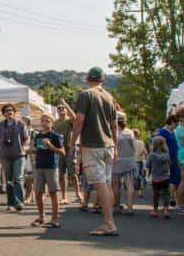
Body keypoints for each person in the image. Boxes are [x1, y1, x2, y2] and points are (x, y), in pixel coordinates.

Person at [69, 67, 119, 236]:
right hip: (109, 145)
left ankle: (109, 223)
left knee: (100, 184)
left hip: (93, 145)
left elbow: (79, 121)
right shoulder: (109, 97)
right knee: (106, 183)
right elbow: (114, 126)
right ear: (102, 80)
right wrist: (116, 146)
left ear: (88, 78)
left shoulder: (86, 94)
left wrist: (72, 144)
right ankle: (109, 220)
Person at [31, 112, 63, 227]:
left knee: (53, 192)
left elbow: (62, 152)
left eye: (47, 121)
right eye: (43, 120)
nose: (44, 123)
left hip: (51, 167)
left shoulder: (55, 136)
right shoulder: (38, 136)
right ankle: (41, 216)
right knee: (38, 192)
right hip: (39, 166)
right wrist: (30, 151)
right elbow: (38, 149)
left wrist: (51, 146)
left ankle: (55, 219)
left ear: (52, 123)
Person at [0, 103, 28, 212]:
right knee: (9, 180)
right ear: (4, 113)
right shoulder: (0, 125)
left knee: (18, 178)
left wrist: (23, 147)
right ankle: (10, 203)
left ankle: (19, 202)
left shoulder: (21, 124)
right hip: (5, 155)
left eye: (11, 110)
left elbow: (27, 138)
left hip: (19, 155)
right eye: (6, 111)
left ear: (14, 112)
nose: (9, 112)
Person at [111, 116, 138, 215]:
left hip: (116, 161)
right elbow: (135, 147)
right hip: (129, 160)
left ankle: (117, 206)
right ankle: (130, 207)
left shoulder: (113, 133)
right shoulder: (130, 132)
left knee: (116, 185)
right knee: (130, 184)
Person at [54, 101, 79, 204]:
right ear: (57, 111)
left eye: (62, 108)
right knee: (61, 174)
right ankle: (64, 197)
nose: (61, 109)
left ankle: (78, 194)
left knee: (73, 174)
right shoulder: (55, 122)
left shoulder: (68, 120)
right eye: (59, 108)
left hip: (69, 149)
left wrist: (66, 104)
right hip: (59, 151)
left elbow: (74, 118)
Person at [155, 114, 181, 208]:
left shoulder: (171, 132)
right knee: (167, 182)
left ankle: (178, 202)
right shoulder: (162, 132)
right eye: (175, 124)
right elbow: (159, 146)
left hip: (174, 158)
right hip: (167, 159)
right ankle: (167, 204)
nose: (176, 126)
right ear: (171, 122)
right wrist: (164, 158)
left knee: (176, 180)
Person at [147, 136, 172, 218]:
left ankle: (155, 211)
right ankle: (166, 210)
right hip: (165, 177)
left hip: (155, 178)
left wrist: (148, 174)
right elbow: (169, 163)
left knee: (155, 195)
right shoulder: (167, 155)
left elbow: (148, 165)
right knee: (166, 194)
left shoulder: (152, 155)